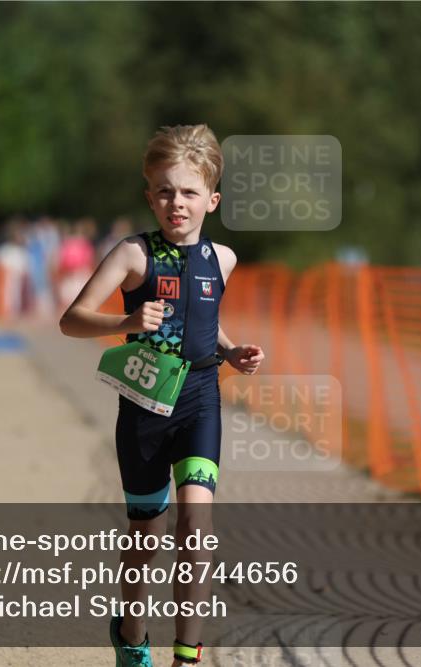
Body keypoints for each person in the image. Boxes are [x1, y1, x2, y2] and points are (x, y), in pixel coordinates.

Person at [59, 124, 264, 667]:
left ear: (211, 200)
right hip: (146, 406)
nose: (177, 202)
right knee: (146, 536)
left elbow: (206, 323)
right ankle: (130, 633)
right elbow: (70, 320)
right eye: (166, 191)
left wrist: (230, 352)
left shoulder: (223, 259)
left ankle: (187, 656)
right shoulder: (131, 255)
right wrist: (126, 318)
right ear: (149, 196)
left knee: (197, 526)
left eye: (190, 192)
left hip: (200, 398)